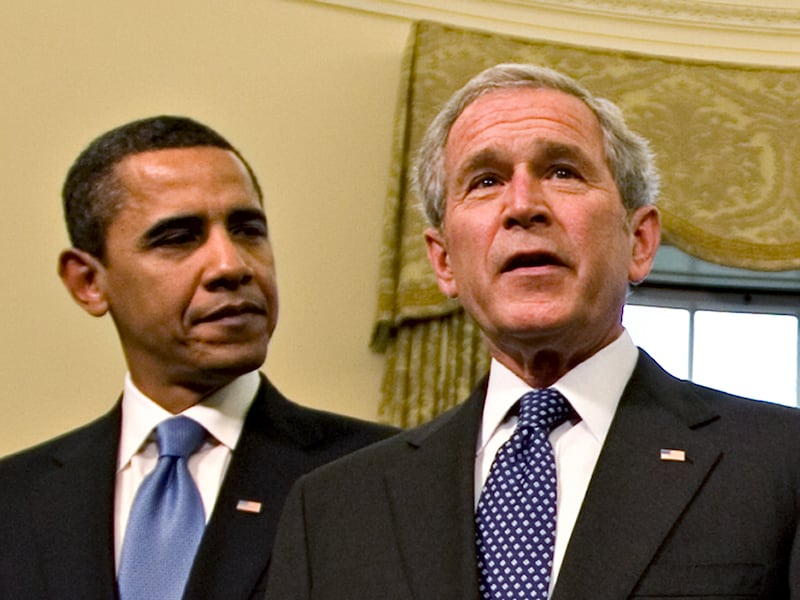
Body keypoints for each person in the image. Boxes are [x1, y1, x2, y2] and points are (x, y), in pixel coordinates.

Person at [264, 64, 800, 599]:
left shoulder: (781, 463)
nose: (523, 206)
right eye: (485, 181)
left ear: (639, 241)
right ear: (443, 261)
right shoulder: (332, 509)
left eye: (563, 172)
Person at [0, 116, 396, 600]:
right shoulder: (13, 503)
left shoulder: (384, 479)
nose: (231, 265)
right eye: (178, 238)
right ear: (88, 282)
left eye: (248, 230)